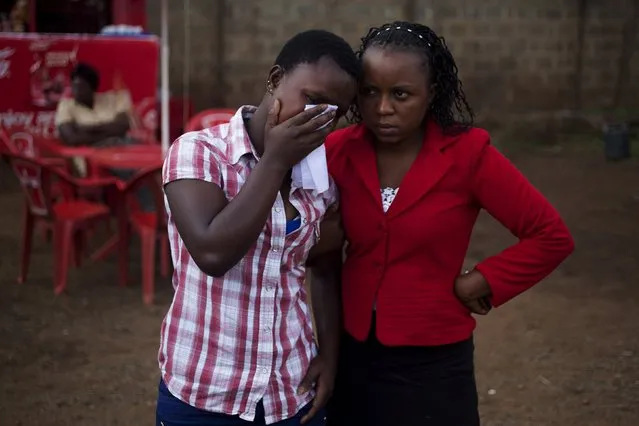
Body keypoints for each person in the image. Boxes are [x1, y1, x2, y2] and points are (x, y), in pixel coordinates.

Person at [323, 22, 575, 426]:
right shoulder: (339, 150)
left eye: (401, 94)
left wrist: (484, 279)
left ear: (432, 93)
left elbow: (551, 235)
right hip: (353, 352)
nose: (382, 108)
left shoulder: (468, 155)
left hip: (434, 364)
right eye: (370, 92)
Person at [157, 30, 359, 426]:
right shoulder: (199, 153)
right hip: (204, 393)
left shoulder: (320, 181)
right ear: (274, 79)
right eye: (313, 99)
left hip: (289, 392)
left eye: (334, 113)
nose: (319, 119)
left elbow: (324, 269)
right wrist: (275, 162)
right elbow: (213, 253)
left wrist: (330, 358)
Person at [55, 62, 133, 176]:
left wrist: (86, 129)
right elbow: (71, 138)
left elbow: (123, 126)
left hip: (121, 147)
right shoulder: (66, 106)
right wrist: (110, 130)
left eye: (81, 87)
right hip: (92, 159)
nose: (76, 91)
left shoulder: (110, 99)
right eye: (74, 86)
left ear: (92, 87)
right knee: (133, 172)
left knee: (150, 162)